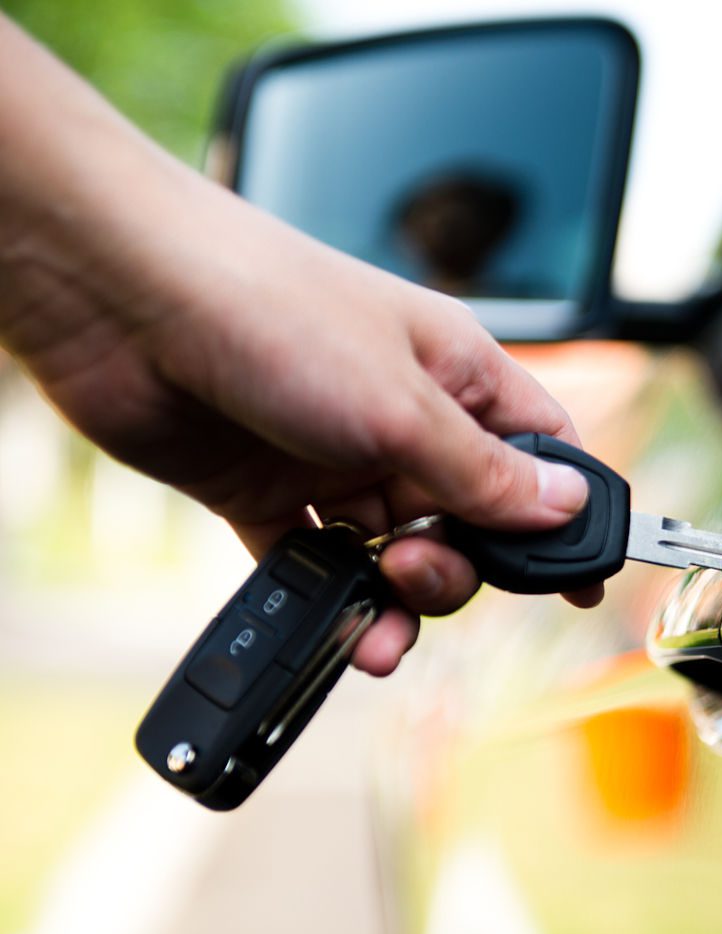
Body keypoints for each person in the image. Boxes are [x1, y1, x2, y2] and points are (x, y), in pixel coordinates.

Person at [0, 14, 603, 677]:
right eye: (431, 212)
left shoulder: (535, 292)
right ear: (404, 227)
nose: (449, 227)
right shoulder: (370, 314)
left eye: (469, 214)